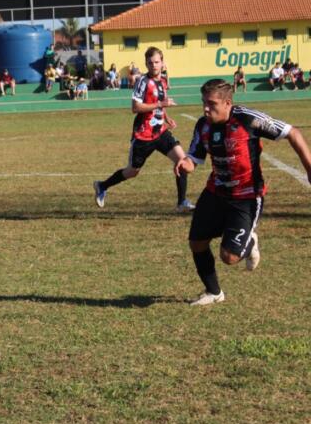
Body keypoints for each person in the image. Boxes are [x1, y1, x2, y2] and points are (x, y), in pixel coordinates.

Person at [174, 79, 311, 306]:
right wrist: (185, 164)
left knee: (229, 257)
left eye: (211, 104)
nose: (206, 109)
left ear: (227, 103)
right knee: (197, 242)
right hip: (215, 191)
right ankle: (214, 292)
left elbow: (291, 132)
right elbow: (194, 157)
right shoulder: (203, 125)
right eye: (203, 103)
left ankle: (249, 241)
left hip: (246, 197)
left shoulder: (248, 118)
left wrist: (308, 167)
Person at [93, 46, 194, 212]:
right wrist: (161, 104)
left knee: (182, 161)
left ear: (162, 63)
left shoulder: (163, 81)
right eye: (150, 62)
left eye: (157, 62)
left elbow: (161, 102)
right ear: (146, 64)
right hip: (143, 135)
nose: (154, 65)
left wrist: (166, 117)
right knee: (132, 172)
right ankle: (102, 186)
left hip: (160, 132)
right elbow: (135, 107)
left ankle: (181, 202)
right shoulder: (142, 82)